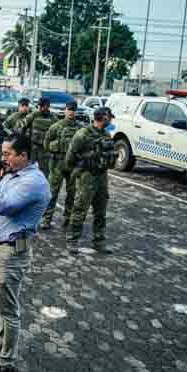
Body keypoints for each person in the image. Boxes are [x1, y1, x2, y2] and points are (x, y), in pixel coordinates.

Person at [0, 132, 50, 372]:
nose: (2, 158)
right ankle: (0, 341)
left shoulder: (33, 182)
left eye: (8, 154)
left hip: (11, 252)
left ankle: (6, 362)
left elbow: (1, 205)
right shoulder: (12, 175)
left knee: (9, 308)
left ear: (24, 155)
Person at [65, 107, 116, 255]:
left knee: (101, 210)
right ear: (104, 118)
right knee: (80, 208)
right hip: (87, 176)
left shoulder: (106, 134)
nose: (111, 120)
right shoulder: (83, 134)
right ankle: (73, 240)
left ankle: (99, 241)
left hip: (102, 176)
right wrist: (78, 171)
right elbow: (70, 157)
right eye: (109, 117)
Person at [40, 101, 83, 230]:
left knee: (72, 193)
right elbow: (46, 143)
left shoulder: (80, 128)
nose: (71, 112)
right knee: (52, 193)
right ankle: (46, 219)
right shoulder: (56, 126)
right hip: (57, 164)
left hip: (72, 165)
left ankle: (67, 218)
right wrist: (56, 146)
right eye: (69, 109)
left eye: (73, 110)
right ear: (64, 110)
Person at [21, 97, 58, 177]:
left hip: (45, 150)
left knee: (45, 172)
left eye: (44, 106)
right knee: (29, 171)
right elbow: (21, 126)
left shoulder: (53, 118)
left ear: (48, 106)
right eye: (40, 106)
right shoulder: (33, 115)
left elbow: (57, 133)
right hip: (33, 148)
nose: (41, 108)